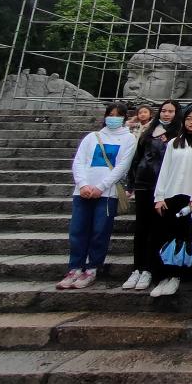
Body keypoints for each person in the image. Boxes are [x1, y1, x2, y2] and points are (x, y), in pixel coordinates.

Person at [57, 102, 137, 290]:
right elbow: (79, 161)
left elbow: (122, 166)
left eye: (118, 115)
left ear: (124, 118)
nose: (113, 118)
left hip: (107, 193)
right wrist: (83, 184)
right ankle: (75, 268)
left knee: (100, 231)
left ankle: (92, 268)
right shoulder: (92, 137)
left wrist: (101, 187)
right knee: (77, 230)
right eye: (111, 114)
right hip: (83, 191)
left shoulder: (129, 139)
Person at [150, 106, 192, 297]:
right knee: (166, 236)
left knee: (183, 236)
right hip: (170, 194)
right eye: (188, 118)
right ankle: (164, 276)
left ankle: (176, 276)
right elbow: (165, 169)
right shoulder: (173, 142)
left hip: (190, 196)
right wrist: (159, 197)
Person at [122, 99, 182, 291]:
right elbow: (137, 157)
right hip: (144, 183)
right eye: (164, 110)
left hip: (165, 187)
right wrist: (131, 183)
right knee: (141, 228)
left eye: (171, 111)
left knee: (158, 229)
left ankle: (149, 268)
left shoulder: (179, 134)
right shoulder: (149, 132)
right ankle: (137, 268)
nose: (166, 114)